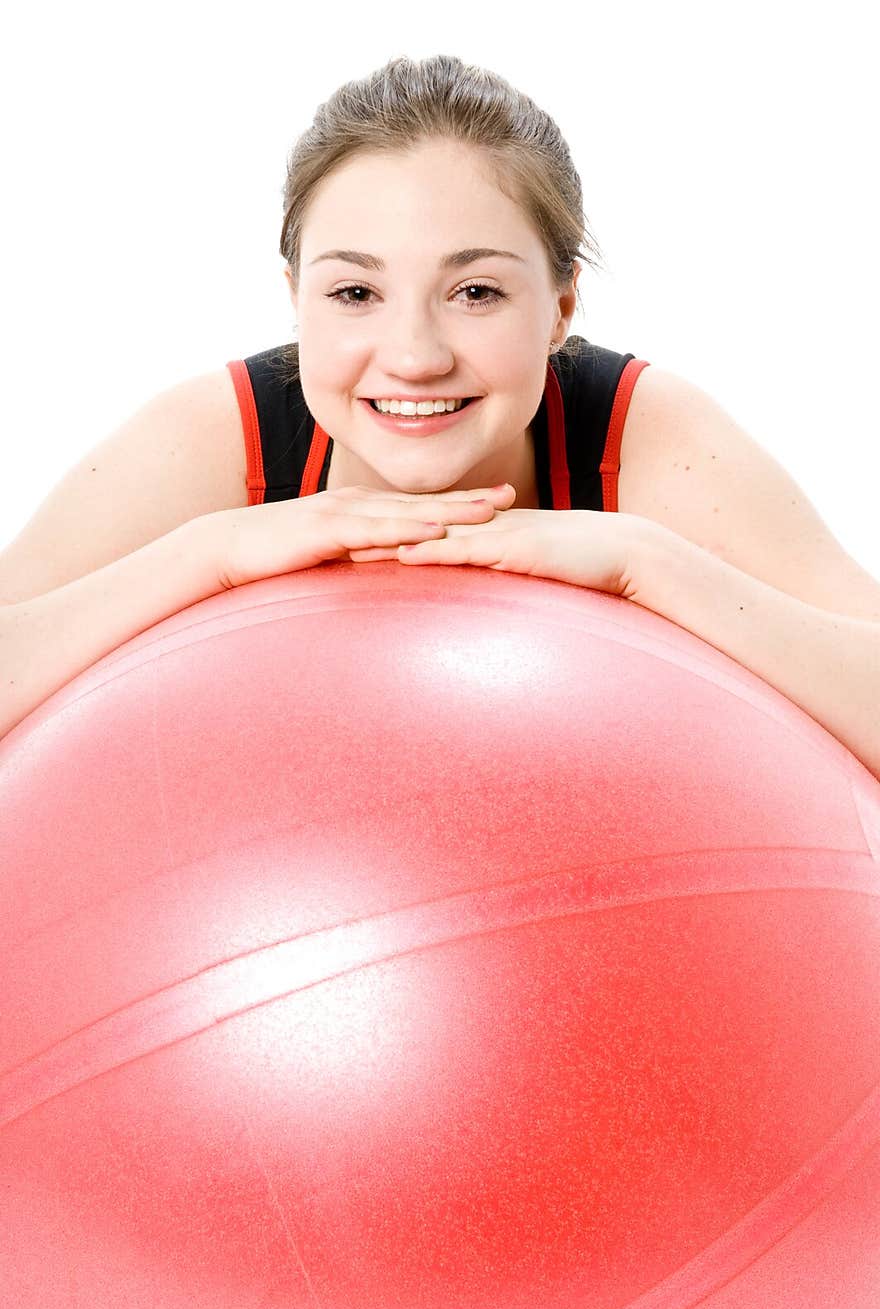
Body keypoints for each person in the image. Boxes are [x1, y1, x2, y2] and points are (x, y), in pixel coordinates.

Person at [1, 54, 879, 781]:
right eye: (355, 292)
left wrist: (644, 565)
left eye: (475, 292)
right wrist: (212, 556)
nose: (414, 354)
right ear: (296, 302)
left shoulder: (639, 435)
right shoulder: (223, 438)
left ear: (563, 305)